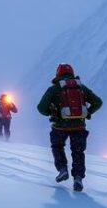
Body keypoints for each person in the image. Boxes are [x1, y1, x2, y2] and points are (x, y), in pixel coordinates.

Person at [37, 63, 102, 192]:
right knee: (78, 152)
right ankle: (78, 178)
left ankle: (62, 169)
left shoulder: (54, 89)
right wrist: (88, 112)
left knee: (57, 147)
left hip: (59, 127)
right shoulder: (81, 87)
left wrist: (52, 113)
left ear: (58, 74)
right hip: (79, 126)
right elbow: (98, 102)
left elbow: (41, 108)